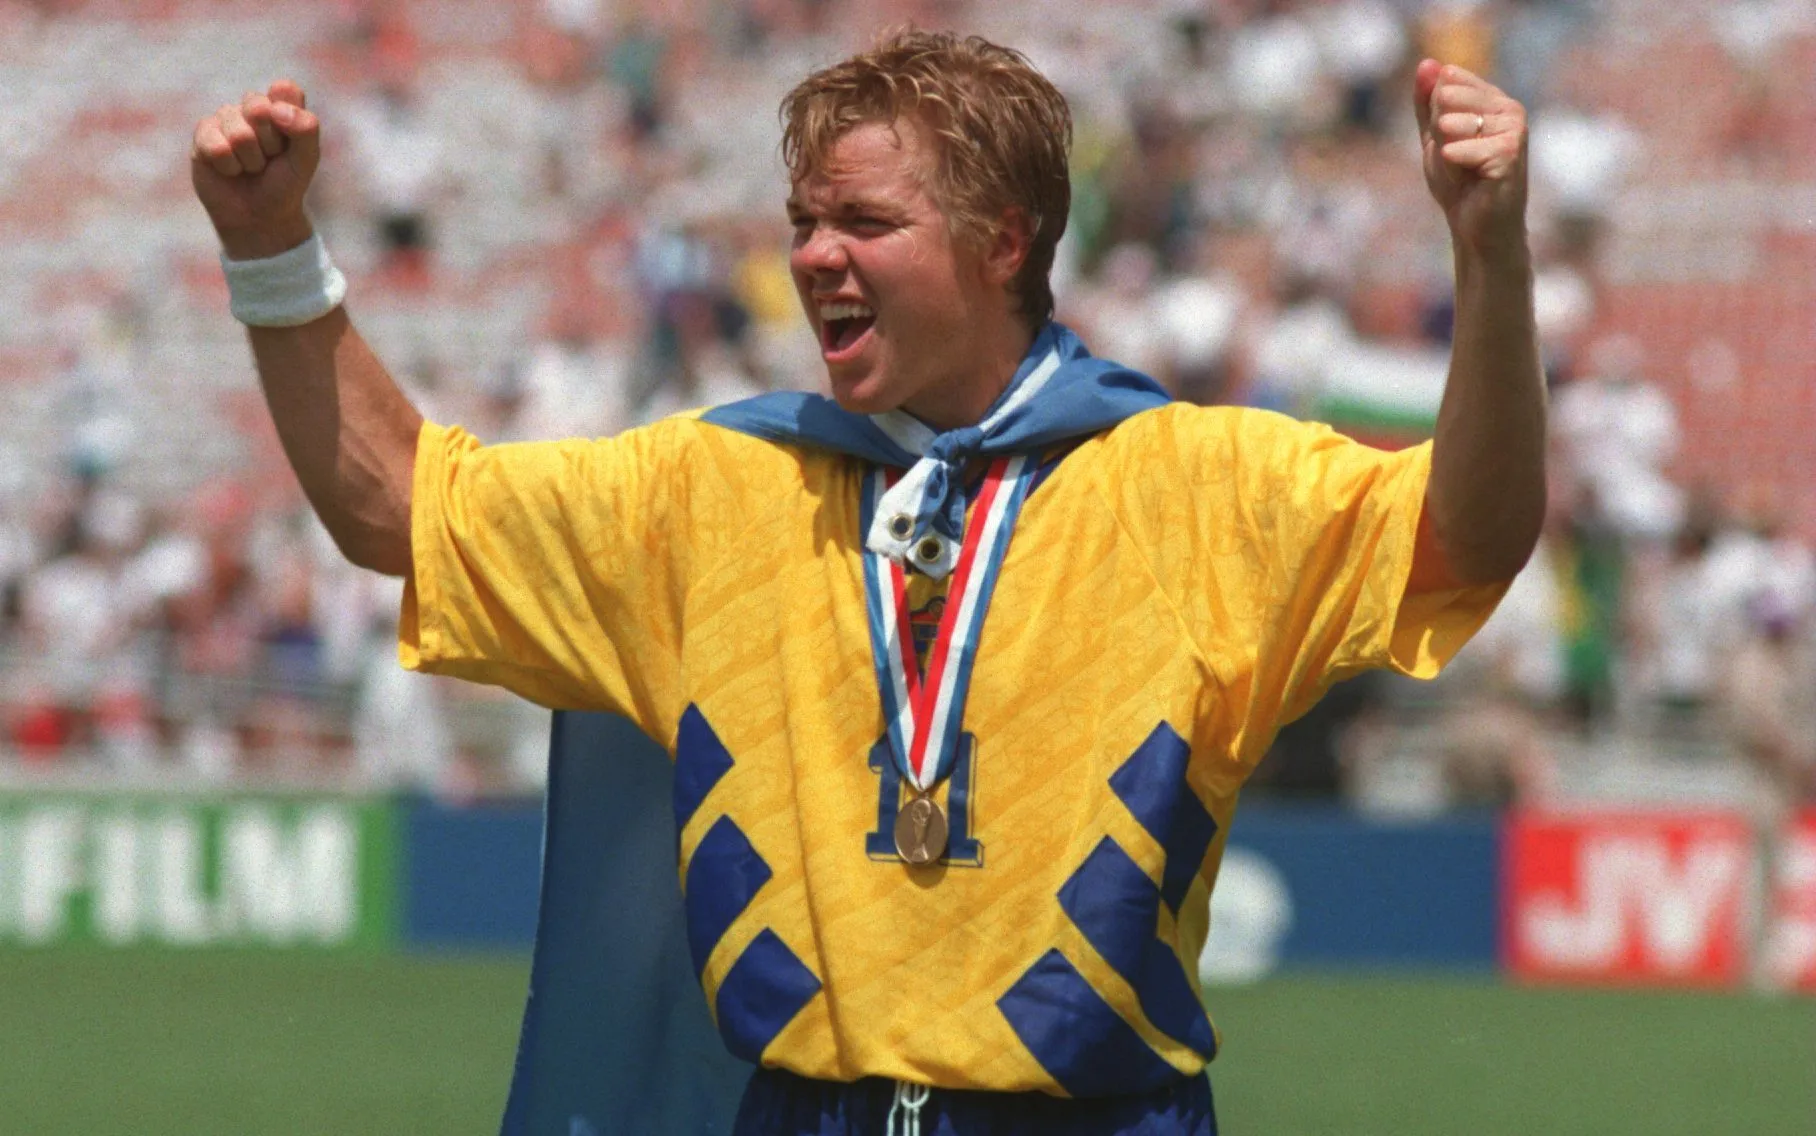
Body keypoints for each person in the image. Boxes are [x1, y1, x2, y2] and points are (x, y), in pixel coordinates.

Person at [190, 28, 1544, 1135]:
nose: (814, 255)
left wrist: (1488, 265)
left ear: (1005, 244)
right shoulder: (714, 494)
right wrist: (271, 249)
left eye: (865, 221)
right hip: (801, 1113)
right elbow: (397, 508)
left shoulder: (1195, 488)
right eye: (804, 219)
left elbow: (1468, 536)